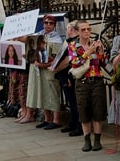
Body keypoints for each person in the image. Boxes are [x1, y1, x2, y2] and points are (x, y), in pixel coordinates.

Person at [69, 20, 108, 152]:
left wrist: (101, 52)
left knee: (98, 110)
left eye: (88, 29)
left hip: (97, 80)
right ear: (77, 32)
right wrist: (88, 52)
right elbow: (74, 63)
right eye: (83, 30)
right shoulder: (73, 46)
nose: (87, 32)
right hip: (83, 82)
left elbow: (103, 63)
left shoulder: (95, 43)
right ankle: (86, 140)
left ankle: (97, 140)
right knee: (84, 111)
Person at [51, 21, 82, 136]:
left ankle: (78, 125)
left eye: (68, 28)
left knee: (74, 101)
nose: (67, 30)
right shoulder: (68, 41)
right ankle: (73, 122)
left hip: (70, 75)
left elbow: (68, 60)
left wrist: (56, 68)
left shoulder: (75, 42)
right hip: (63, 75)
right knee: (70, 101)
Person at [34, 14, 64, 130]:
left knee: (53, 93)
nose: (48, 25)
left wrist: (45, 63)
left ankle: (56, 120)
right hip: (39, 68)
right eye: (46, 22)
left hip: (50, 68)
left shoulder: (57, 37)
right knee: (43, 93)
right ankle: (47, 119)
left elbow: (57, 56)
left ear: (54, 25)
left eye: (50, 23)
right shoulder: (38, 35)